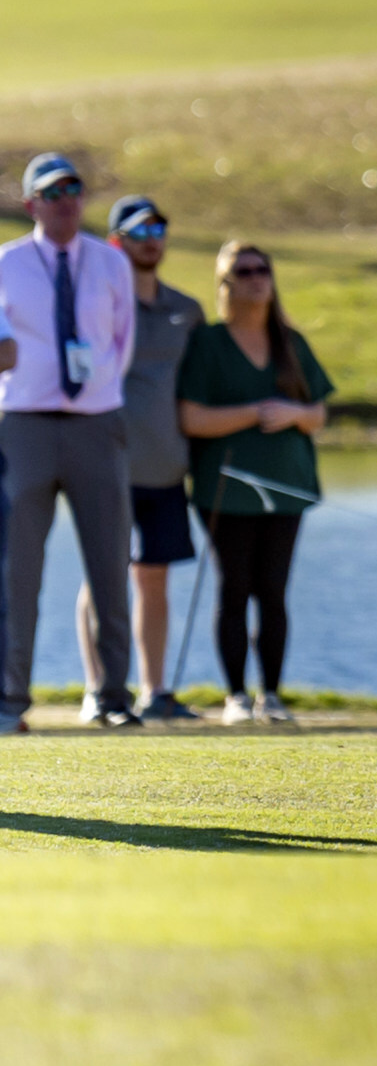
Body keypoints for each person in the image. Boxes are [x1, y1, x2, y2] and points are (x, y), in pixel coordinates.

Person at [0, 153, 137, 729]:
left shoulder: (111, 265)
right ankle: (9, 700)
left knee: (110, 562)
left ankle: (111, 698)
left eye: (74, 190)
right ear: (32, 203)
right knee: (16, 571)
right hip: (23, 425)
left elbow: (121, 340)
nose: (66, 201)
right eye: (52, 192)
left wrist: (97, 391)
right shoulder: (6, 263)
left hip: (95, 424)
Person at [176, 243, 333, 725]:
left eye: (263, 269)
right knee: (235, 588)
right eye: (243, 271)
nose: (256, 278)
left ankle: (273, 695)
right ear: (225, 284)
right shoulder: (209, 343)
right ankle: (235, 697)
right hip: (225, 491)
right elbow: (192, 419)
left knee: (273, 590)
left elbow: (318, 415)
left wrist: (293, 413)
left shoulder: (291, 342)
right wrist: (252, 413)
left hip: (288, 487)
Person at [75, 197, 206, 722]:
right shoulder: (99, 304)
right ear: (116, 242)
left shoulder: (187, 310)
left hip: (166, 469)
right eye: (138, 231)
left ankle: (155, 693)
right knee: (103, 574)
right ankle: (98, 690)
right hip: (108, 466)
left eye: (158, 228)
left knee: (154, 579)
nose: (151, 238)